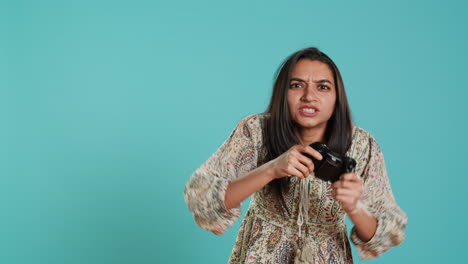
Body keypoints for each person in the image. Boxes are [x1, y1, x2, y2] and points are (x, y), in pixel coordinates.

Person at [183, 47, 407, 264]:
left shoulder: (362, 145)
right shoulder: (256, 131)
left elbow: (387, 235)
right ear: (283, 92)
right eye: (297, 85)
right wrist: (271, 169)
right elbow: (203, 199)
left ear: (337, 97)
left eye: (323, 87)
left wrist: (354, 207)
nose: (309, 96)